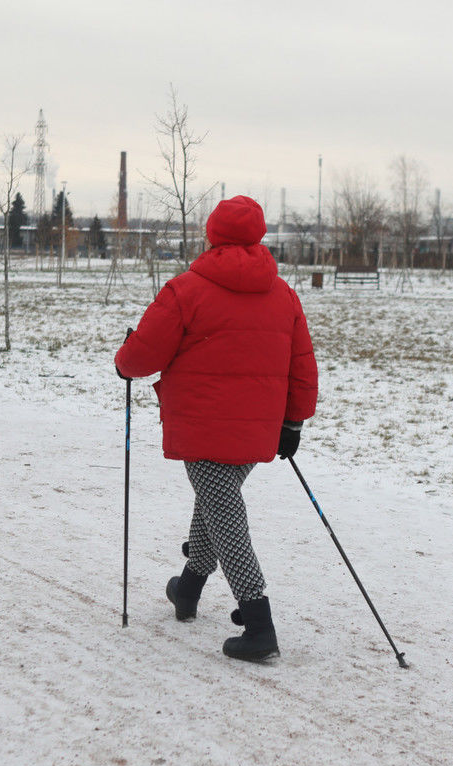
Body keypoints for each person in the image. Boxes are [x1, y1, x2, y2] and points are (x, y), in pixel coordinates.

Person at [114, 195, 318, 662]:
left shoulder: (187, 289)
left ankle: (259, 622)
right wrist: (293, 422)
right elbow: (303, 366)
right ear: (259, 236)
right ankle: (187, 590)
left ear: (212, 234)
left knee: (224, 513)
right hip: (258, 432)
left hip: (202, 428)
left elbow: (143, 356)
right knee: (216, 500)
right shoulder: (284, 295)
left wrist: (124, 364)